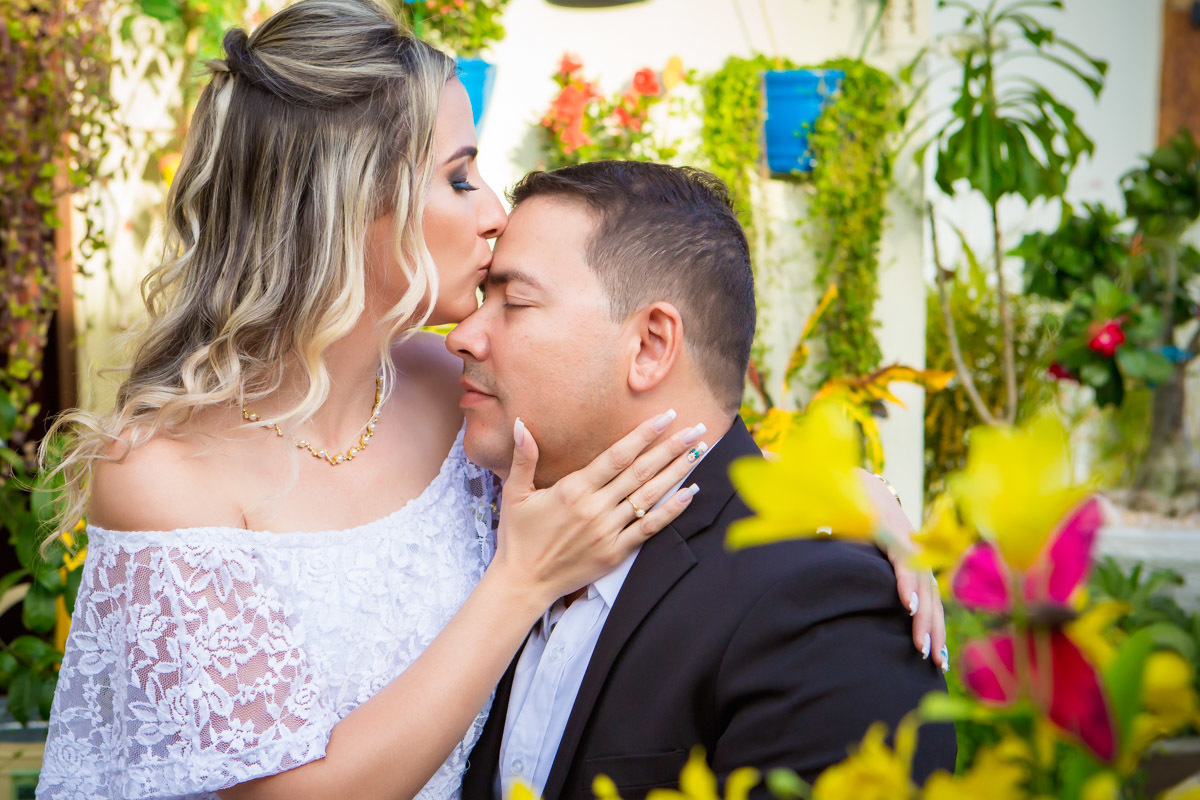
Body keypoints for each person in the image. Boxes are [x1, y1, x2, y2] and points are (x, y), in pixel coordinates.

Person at [39, 2, 941, 797]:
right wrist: (520, 582)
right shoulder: (165, 475)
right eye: (460, 176)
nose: (494, 213)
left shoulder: (451, 392)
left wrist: (846, 496)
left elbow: (646, 441)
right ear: (347, 205)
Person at [451, 161, 957, 800]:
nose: (462, 336)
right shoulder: (480, 525)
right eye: (482, 301)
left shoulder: (823, 609)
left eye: (515, 302)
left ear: (650, 345)